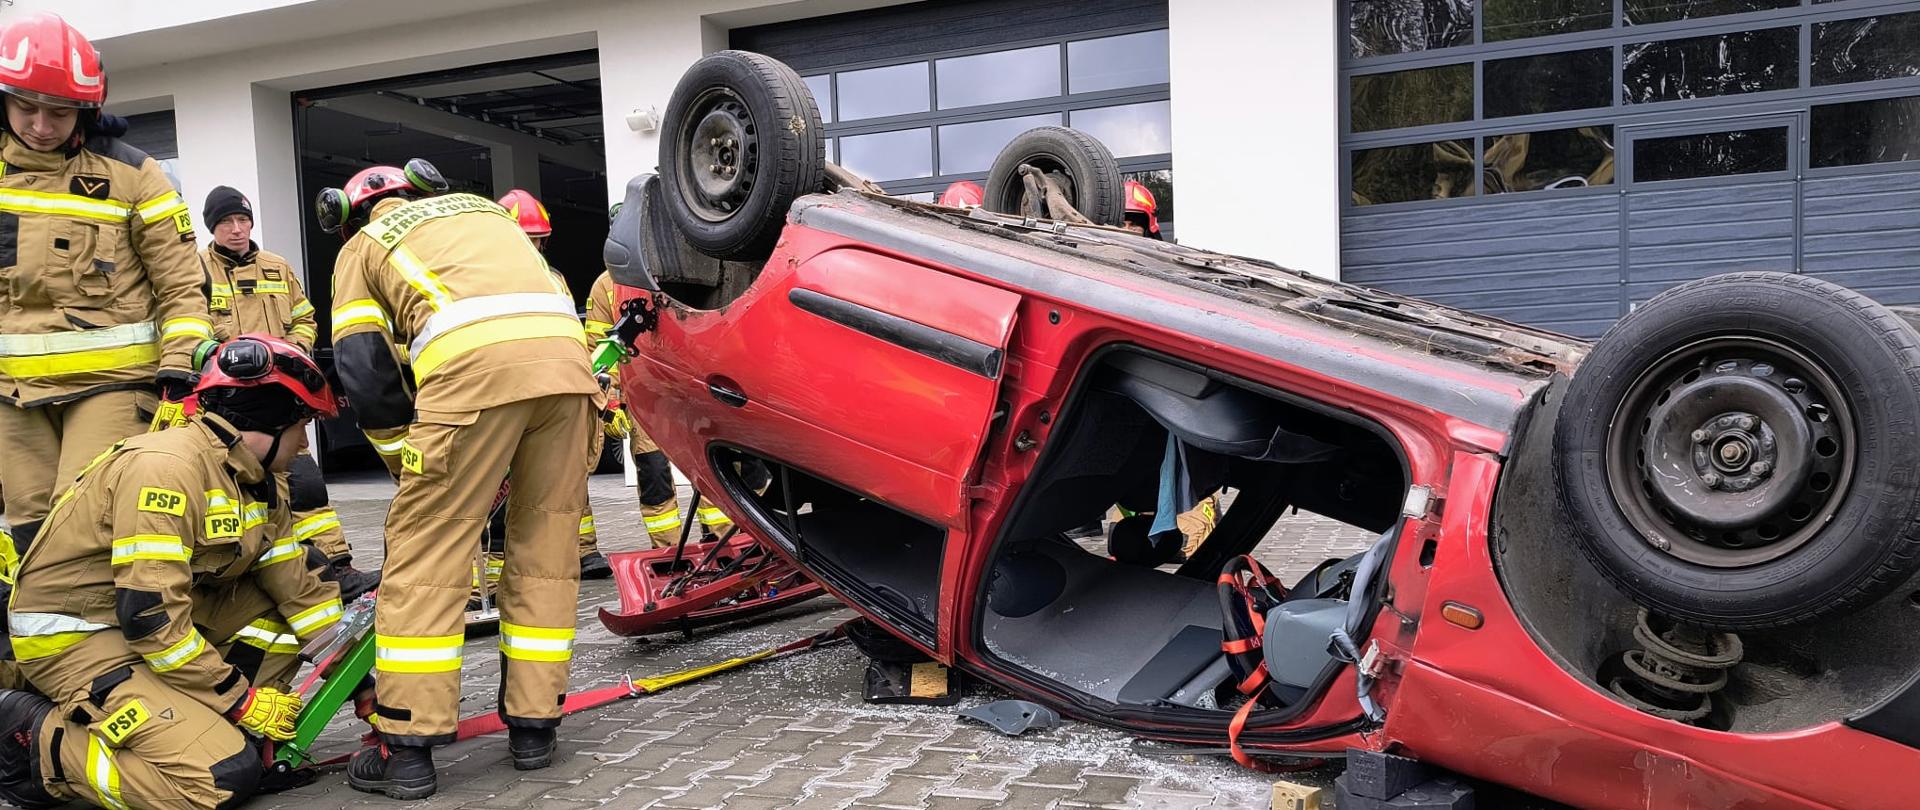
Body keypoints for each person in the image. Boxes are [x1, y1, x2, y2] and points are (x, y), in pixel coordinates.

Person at [320, 161, 599, 798]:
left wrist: (403, 458)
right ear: (422, 189)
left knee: (428, 555)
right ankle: (535, 729)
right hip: (569, 378)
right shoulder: (486, 213)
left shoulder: (362, 247)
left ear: (352, 213)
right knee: (546, 552)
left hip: (472, 382)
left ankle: (408, 749)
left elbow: (365, 369)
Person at [0, 336, 349, 810]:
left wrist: (351, 674)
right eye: (301, 425)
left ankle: (199, 720)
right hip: (80, 636)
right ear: (269, 423)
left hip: (144, 624)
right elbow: (152, 618)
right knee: (217, 779)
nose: (305, 443)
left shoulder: (256, 479)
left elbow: (295, 581)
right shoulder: (167, 469)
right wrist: (239, 700)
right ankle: (37, 743)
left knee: (283, 609)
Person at [0, 11, 215, 550]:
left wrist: (180, 364)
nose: (42, 125)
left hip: (110, 385)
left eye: (60, 111)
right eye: (26, 107)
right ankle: (43, 634)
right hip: (9, 392)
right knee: (28, 528)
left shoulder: (133, 174)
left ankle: (101, 631)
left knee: (86, 518)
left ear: (87, 110)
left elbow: (183, 283)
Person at [200, 185, 379, 593]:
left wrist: (294, 350)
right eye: (227, 222)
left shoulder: (276, 267)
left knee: (306, 483)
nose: (236, 229)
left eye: (242, 220)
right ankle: (263, 576)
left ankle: (337, 565)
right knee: (246, 493)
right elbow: (188, 329)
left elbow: (305, 318)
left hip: (283, 395)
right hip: (229, 406)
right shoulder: (197, 271)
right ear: (213, 226)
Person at [496, 189, 612, 576]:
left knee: (566, 470)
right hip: (510, 389)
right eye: (529, 239)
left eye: (540, 240)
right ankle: (510, 562)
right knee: (507, 480)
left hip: (557, 384)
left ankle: (581, 550)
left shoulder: (556, 279)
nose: (537, 247)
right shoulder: (487, 279)